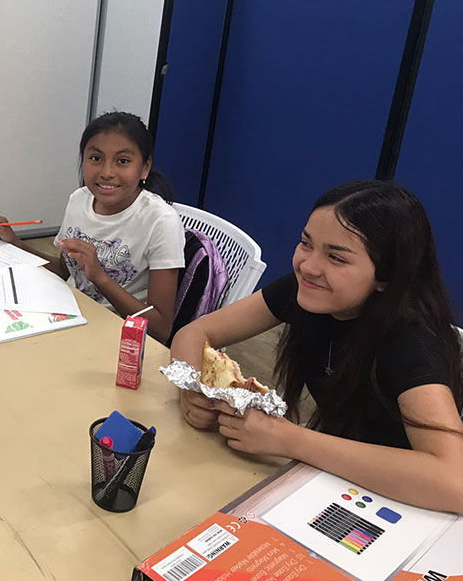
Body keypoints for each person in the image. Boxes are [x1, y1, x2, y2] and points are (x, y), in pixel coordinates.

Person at [176, 181, 463, 513]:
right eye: (305, 243)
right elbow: (195, 332)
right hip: (333, 479)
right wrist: (193, 390)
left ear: (387, 277)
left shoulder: (411, 340)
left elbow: (453, 482)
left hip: (402, 506)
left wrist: (291, 440)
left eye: (336, 258)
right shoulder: (306, 290)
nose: (308, 266)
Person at [0, 111, 184, 343]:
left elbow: (161, 329)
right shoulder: (80, 199)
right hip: (70, 315)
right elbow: (66, 271)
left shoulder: (161, 222)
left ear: (145, 168)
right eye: (96, 158)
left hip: (117, 336)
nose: (107, 173)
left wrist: (100, 277)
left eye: (123, 161)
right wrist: (15, 244)